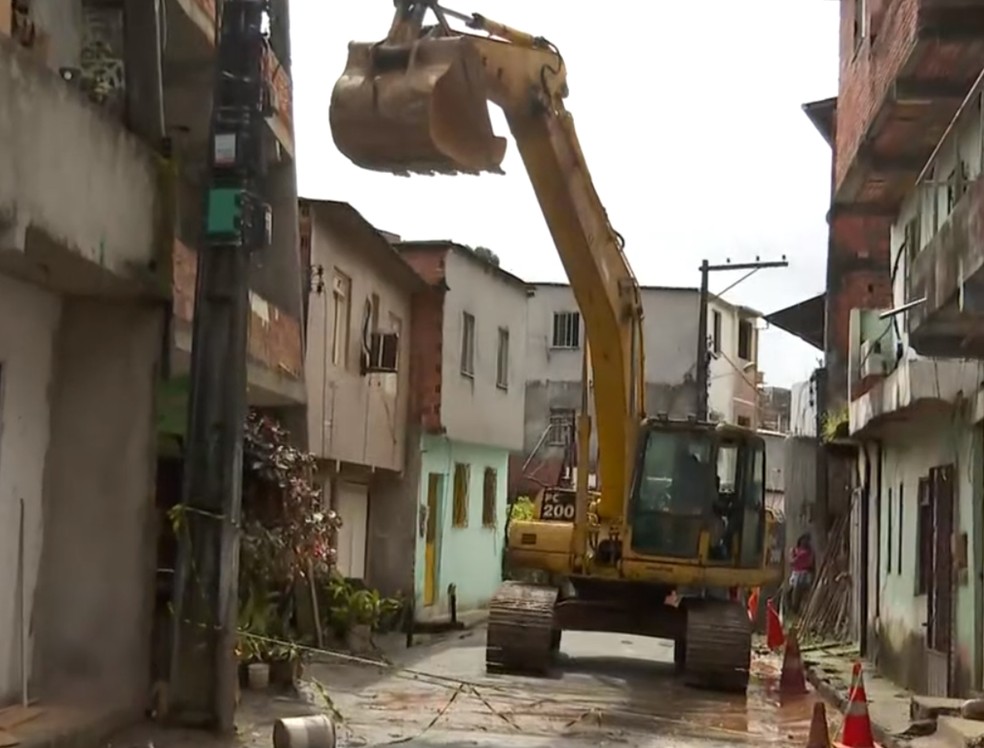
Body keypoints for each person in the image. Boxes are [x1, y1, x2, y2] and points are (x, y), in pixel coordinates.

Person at [787, 534, 815, 616]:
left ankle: (795, 610)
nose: (804, 542)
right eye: (803, 540)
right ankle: (793, 609)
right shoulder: (798, 550)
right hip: (796, 574)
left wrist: (793, 556)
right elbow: (792, 562)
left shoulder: (807, 553)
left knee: (797, 594)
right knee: (790, 594)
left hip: (803, 575)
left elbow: (793, 562)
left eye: (806, 541)